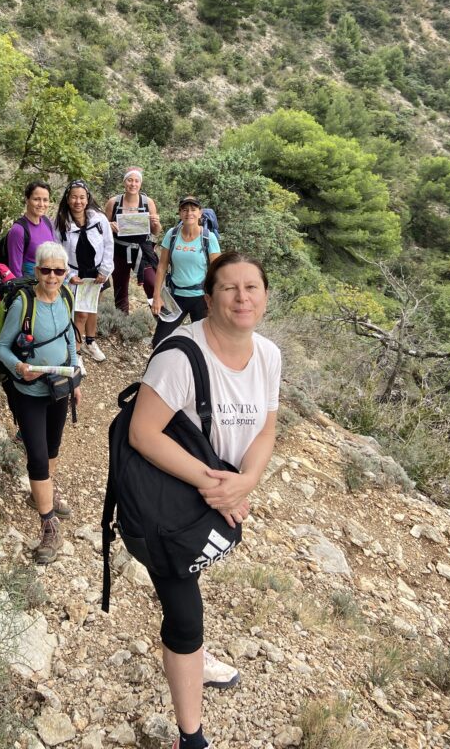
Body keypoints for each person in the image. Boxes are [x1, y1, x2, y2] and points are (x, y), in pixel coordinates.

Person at [129, 252, 281, 749]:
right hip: (168, 503)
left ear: (264, 295)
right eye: (230, 288)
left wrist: (246, 482)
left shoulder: (269, 355)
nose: (242, 298)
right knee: (185, 614)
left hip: (215, 497)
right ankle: (189, 737)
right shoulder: (179, 355)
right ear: (209, 297)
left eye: (252, 287)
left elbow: (267, 427)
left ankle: (192, 656)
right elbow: (143, 433)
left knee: (191, 584)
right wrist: (218, 485)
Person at [0, 241, 81, 564]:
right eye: (46, 270)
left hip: (58, 386)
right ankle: (48, 522)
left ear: (65, 272)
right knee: (38, 454)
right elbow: (1, 347)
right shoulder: (23, 303)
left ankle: (43, 493)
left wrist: (75, 376)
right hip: (29, 392)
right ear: (36, 270)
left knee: (54, 446)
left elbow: (70, 336)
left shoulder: (67, 297)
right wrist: (19, 367)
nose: (52, 276)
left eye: (59, 271)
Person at [55, 179, 114, 370]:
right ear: (67, 198)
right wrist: (68, 275)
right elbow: (59, 252)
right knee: (80, 313)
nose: (78, 201)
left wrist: (105, 270)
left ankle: (90, 342)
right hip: (75, 275)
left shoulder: (99, 219)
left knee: (92, 308)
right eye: (74, 197)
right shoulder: (61, 223)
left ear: (88, 198)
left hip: (97, 273)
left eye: (82, 197)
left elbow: (108, 244)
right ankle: (77, 352)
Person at [151, 197, 220, 348]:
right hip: (175, 297)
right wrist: (157, 296)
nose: (189, 213)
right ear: (180, 213)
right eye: (185, 209)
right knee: (159, 341)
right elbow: (162, 266)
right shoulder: (172, 234)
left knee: (204, 344)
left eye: (193, 210)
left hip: (201, 298)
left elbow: (217, 272)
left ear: (200, 213)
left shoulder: (208, 238)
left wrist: (216, 300)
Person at [104, 167, 161, 314]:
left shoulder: (148, 202)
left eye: (136, 181)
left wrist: (156, 223)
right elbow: (103, 229)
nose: (133, 184)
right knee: (120, 287)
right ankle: (122, 320)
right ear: (124, 182)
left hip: (143, 251)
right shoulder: (113, 203)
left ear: (140, 184)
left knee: (151, 283)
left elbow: (156, 231)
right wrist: (109, 225)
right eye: (130, 180)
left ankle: (160, 317)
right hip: (120, 251)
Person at [6, 180, 58, 278]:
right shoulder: (18, 230)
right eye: (36, 199)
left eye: (45, 200)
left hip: (50, 281)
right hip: (31, 286)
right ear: (27, 200)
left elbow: (54, 255)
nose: (41, 204)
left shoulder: (48, 223)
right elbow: (15, 270)